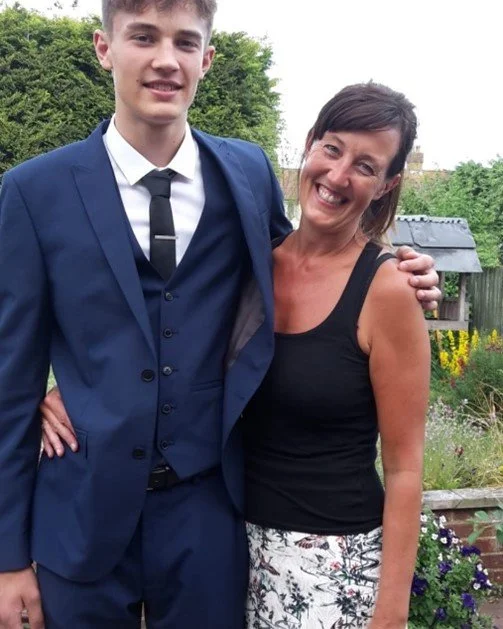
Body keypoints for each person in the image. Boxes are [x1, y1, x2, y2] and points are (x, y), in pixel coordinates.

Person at [0, 0, 439, 624]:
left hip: (208, 520)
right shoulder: (33, 191)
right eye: (143, 37)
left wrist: (398, 267)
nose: (165, 60)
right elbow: (10, 379)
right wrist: (8, 560)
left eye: (184, 42)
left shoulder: (247, 172)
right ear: (104, 48)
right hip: (80, 518)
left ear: (206, 59)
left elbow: (303, 263)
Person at [242, 83, 429, 628]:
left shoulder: (387, 290)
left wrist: (390, 613)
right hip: (231, 553)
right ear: (309, 144)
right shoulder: (251, 266)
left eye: (366, 166)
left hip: (333, 572)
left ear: (387, 183)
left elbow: (405, 468)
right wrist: (72, 391)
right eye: (332, 148)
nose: (339, 175)